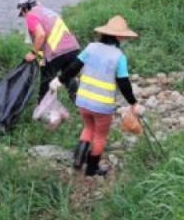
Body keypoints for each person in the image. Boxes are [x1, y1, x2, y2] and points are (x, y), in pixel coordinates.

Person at [54, 15, 142, 177]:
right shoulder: (119, 57)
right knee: (100, 136)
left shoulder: (91, 48)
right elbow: (124, 83)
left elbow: (73, 67)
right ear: (119, 36)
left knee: (88, 127)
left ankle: (78, 161)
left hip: (83, 101)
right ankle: (92, 169)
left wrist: (60, 80)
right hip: (102, 106)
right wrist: (133, 103)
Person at [17, 0, 81, 100]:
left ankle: (42, 109)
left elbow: (41, 35)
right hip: (73, 48)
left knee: (46, 81)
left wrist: (33, 53)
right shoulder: (49, 12)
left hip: (56, 53)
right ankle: (77, 102)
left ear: (25, 9)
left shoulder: (31, 16)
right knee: (68, 76)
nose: (23, 16)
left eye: (22, 13)